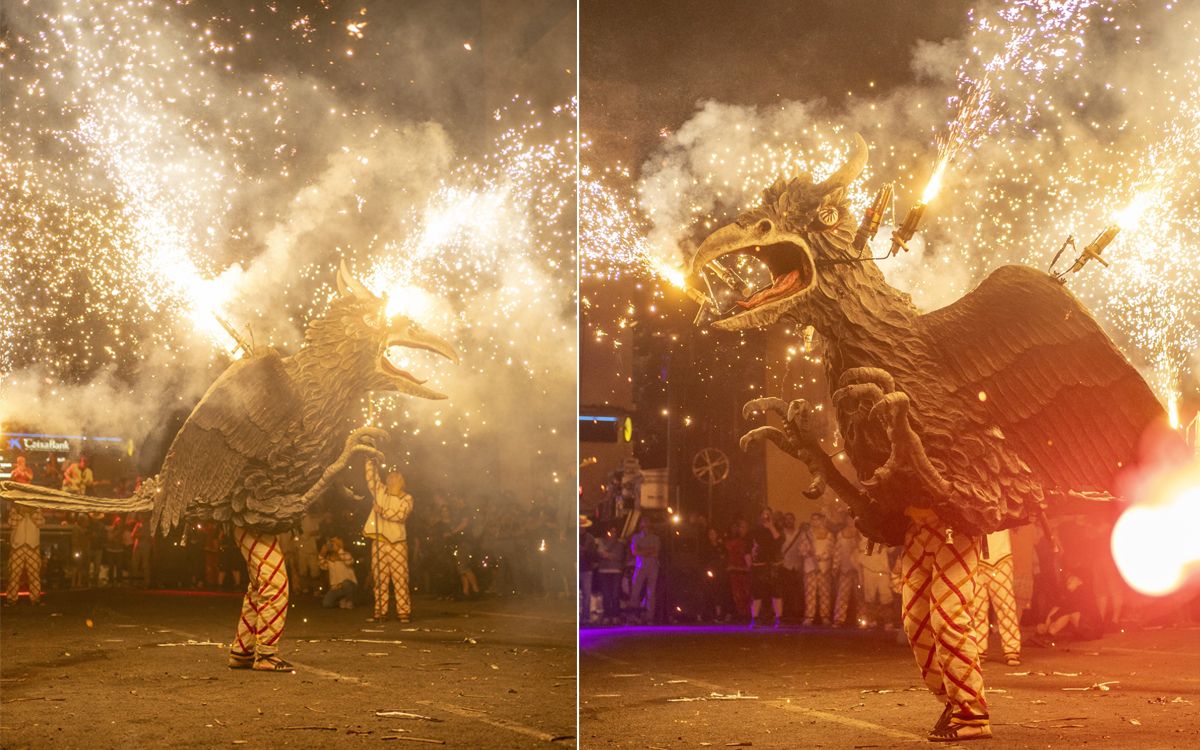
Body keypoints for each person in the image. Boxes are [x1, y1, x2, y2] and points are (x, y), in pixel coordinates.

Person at [899, 508, 990, 742]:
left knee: (948, 617)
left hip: (957, 524)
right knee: (914, 622)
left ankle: (972, 715)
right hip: (914, 529)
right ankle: (952, 700)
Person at [363, 460, 414, 622]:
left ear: (401, 480)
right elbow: (371, 478)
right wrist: (370, 460)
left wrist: (382, 511)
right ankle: (380, 611)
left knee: (400, 579)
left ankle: (403, 611)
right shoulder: (381, 492)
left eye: (394, 477)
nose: (390, 479)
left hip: (397, 543)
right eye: (389, 476)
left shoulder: (406, 498)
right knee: (379, 579)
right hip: (379, 542)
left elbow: (401, 515)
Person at [973, 529, 1021, 666]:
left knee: (1006, 606)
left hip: (1001, 557)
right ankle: (978, 648)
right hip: (976, 558)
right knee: (977, 609)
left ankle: (1012, 649)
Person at [5, 465, 44, 605]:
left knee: (34, 574)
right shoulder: (14, 503)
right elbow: (11, 523)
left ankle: (35, 598)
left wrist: (31, 511)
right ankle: (11, 599)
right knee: (14, 574)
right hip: (18, 543)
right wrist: (22, 512)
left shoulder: (35, 503)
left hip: (32, 543)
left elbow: (40, 522)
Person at [1031, 571, 1102, 644]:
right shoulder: (1071, 594)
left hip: (1093, 631)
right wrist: (1047, 623)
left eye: (1072, 579)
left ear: (1080, 581)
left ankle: (1050, 633)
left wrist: (1051, 620)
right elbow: (1059, 607)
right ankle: (1048, 632)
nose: (1068, 581)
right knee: (1059, 608)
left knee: (1068, 613)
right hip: (1086, 629)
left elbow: (1068, 609)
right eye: (1068, 579)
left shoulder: (1083, 591)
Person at [748, 508, 784, 628]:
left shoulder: (776, 529)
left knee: (776, 593)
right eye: (764, 514)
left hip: (773, 566)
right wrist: (750, 565)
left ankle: (778, 618)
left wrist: (771, 527)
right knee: (757, 594)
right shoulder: (755, 531)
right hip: (759, 566)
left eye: (768, 515)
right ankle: (755, 619)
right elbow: (748, 548)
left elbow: (779, 540)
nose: (766, 517)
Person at [857, 534, 895, 629]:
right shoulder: (867, 535)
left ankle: (888, 621)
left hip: (883, 570)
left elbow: (891, 549)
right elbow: (867, 552)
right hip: (869, 569)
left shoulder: (883, 533)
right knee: (870, 596)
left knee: (886, 596)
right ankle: (871, 620)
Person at [628, 516, 661, 623]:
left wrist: (642, 550)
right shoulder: (636, 537)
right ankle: (634, 615)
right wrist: (648, 551)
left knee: (651, 592)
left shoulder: (655, 538)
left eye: (647, 522)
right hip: (640, 567)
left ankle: (649, 617)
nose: (645, 524)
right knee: (635, 591)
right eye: (643, 522)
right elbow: (634, 552)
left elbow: (656, 552)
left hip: (652, 567)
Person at [803, 513, 834, 625]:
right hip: (810, 568)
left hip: (823, 568)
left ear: (821, 521)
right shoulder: (806, 535)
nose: (815, 522)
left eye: (817, 520)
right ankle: (809, 617)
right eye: (813, 519)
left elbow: (831, 550)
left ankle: (825, 616)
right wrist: (808, 551)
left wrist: (822, 557)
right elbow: (801, 550)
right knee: (810, 593)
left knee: (825, 593)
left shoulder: (829, 535)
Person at [595, 523, 625, 625]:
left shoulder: (620, 544)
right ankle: (607, 615)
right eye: (611, 531)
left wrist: (606, 554)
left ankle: (615, 615)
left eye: (615, 532)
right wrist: (607, 554)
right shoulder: (601, 542)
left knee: (615, 594)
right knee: (606, 594)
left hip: (616, 571)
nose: (613, 533)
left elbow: (618, 556)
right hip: (604, 571)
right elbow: (600, 553)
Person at [832, 522, 860, 627]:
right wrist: (835, 567)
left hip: (859, 570)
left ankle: (863, 618)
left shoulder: (861, 533)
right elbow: (837, 552)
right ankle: (839, 619)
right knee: (842, 595)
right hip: (845, 569)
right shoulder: (841, 534)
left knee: (860, 595)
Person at [319, 537, 358, 609]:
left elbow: (349, 562)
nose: (331, 546)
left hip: (349, 585)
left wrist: (339, 550)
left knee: (346, 583)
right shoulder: (329, 558)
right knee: (326, 604)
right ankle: (342, 599)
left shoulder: (346, 554)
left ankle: (350, 600)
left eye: (333, 544)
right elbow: (323, 567)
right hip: (336, 587)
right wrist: (322, 554)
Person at [296, 511, 323, 595]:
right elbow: (296, 536)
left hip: (312, 550)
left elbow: (318, 533)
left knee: (315, 571)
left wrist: (311, 534)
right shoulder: (297, 522)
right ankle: (305, 589)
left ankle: (316, 589)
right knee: (302, 571)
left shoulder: (314, 521)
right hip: (302, 550)